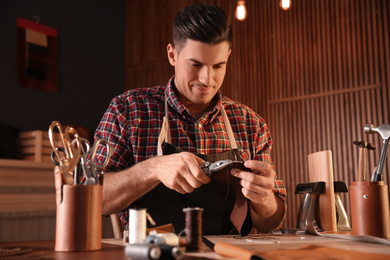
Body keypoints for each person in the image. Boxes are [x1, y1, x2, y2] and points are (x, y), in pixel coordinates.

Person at [94, 4, 286, 235]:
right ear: (172, 55)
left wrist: (264, 200)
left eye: (218, 66)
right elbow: (91, 199)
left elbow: (270, 222)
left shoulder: (251, 124)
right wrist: (153, 169)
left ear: (228, 58)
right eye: (196, 65)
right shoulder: (128, 110)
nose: (207, 79)